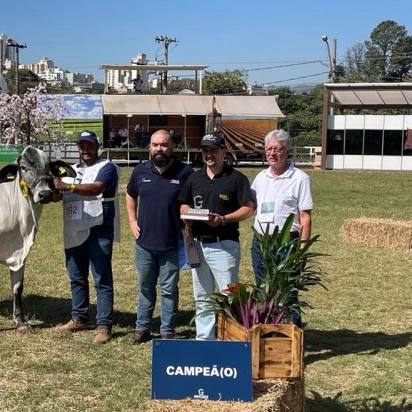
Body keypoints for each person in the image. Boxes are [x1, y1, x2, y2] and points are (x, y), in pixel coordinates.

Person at [178, 133, 255, 340]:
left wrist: (223, 219)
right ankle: (204, 339)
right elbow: (184, 203)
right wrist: (187, 216)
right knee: (202, 295)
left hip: (224, 245)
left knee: (229, 295)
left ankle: (232, 338)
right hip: (198, 245)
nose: (209, 154)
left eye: (213, 150)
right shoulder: (195, 177)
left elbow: (248, 209)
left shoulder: (237, 178)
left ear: (224, 151)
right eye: (205, 150)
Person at [126, 130, 194, 343]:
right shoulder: (140, 171)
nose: (159, 149)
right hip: (144, 243)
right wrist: (132, 220)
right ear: (149, 148)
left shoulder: (185, 172)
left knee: (168, 289)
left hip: (171, 243)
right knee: (145, 287)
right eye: (155, 145)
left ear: (172, 147)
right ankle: (142, 328)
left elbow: (192, 200)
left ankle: (167, 330)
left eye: (163, 145)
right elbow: (130, 194)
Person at [54, 130, 120, 344]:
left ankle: (104, 325)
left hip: (98, 229)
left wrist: (67, 186)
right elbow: (58, 196)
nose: (86, 150)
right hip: (73, 230)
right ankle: (79, 317)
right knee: (76, 277)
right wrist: (52, 189)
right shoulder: (70, 170)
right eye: (82, 146)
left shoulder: (107, 167)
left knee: (102, 279)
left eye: (90, 145)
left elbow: (97, 188)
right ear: (78, 148)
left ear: (97, 146)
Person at [251, 129, 313, 328]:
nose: (272, 153)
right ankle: (268, 327)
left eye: (277, 149)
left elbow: (305, 217)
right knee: (263, 287)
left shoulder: (300, 178)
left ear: (287, 151)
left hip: (286, 243)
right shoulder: (261, 177)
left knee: (288, 289)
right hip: (261, 241)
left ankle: (293, 331)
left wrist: (301, 252)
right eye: (269, 149)